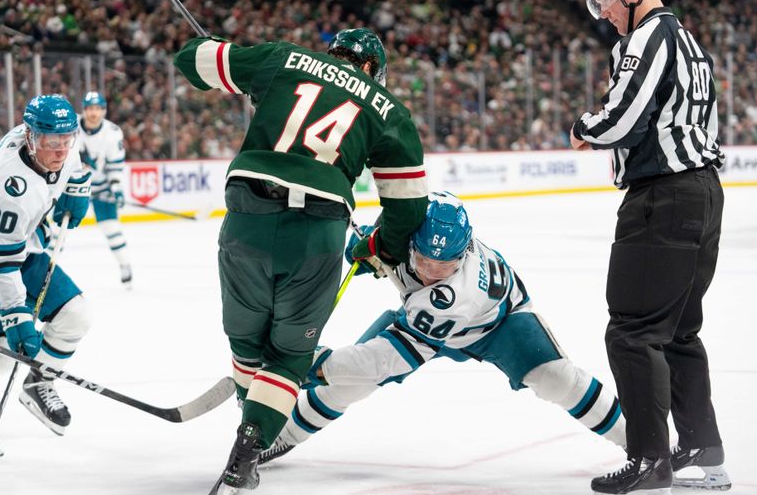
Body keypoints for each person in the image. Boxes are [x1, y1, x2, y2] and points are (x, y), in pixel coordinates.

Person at [173, 28, 428, 495]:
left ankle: (249, 416)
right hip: (318, 231)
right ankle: (250, 444)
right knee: (289, 354)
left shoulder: (282, 58)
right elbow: (408, 211)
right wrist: (379, 249)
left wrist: (242, 66)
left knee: (247, 338)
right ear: (373, 68)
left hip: (247, 217)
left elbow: (190, 60)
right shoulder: (389, 108)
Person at [258, 191, 627, 469]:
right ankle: (284, 436)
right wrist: (370, 250)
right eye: (423, 260)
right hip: (430, 324)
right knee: (350, 383)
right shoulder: (404, 233)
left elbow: (384, 360)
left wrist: (316, 364)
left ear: (464, 253)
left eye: (445, 264)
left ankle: (640, 444)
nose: (432, 271)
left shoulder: (452, 296)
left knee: (557, 379)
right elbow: (372, 245)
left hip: (498, 324)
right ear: (410, 242)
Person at [571, 0, 729, 495]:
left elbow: (623, 120)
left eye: (604, 2)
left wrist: (584, 125)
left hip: (663, 199)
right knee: (679, 329)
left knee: (633, 331)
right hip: (701, 193)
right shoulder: (686, 39)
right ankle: (703, 450)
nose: (602, 14)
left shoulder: (646, 38)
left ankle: (648, 470)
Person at [0, 95, 92, 454]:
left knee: (75, 316)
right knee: (0, 351)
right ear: (29, 137)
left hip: (22, 246)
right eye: (52, 143)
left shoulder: (61, 140)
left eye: (66, 140)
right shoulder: (11, 185)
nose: (61, 150)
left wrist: (76, 183)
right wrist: (15, 313)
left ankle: (39, 383)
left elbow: (75, 154)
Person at [78, 91, 131, 287]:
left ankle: (125, 265)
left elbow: (114, 166)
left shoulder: (112, 133)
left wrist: (116, 187)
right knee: (58, 230)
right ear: (84, 110)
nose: (94, 113)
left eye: (98, 109)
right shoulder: (71, 127)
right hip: (74, 187)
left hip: (101, 188)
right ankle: (45, 268)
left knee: (111, 228)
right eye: (90, 109)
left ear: (104, 111)